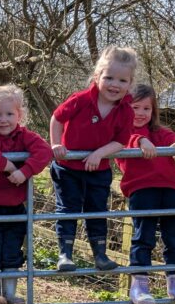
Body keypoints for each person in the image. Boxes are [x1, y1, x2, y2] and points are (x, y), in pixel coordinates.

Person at [49, 46, 136, 272]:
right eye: (108, 77)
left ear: (130, 83)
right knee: (68, 209)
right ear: (97, 77)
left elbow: (121, 141)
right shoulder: (80, 100)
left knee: (97, 210)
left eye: (122, 80)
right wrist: (56, 144)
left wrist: (99, 153)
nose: (114, 84)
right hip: (68, 167)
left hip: (98, 169)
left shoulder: (126, 110)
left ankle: (100, 255)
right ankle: (65, 254)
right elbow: (57, 119)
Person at [0, 83, 53, 304]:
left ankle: (12, 294)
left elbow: (44, 151)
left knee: (12, 251)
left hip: (15, 206)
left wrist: (25, 171)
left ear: (20, 115)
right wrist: (11, 168)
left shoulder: (24, 136)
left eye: (9, 114)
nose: (3, 119)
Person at [116, 84, 175, 304]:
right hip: (142, 189)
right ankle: (139, 285)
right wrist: (141, 141)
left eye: (147, 108)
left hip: (172, 189)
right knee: (144, 236)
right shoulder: (120, 132)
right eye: (135, 107)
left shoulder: (158, 133)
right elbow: (124, 143)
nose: (141, 113)